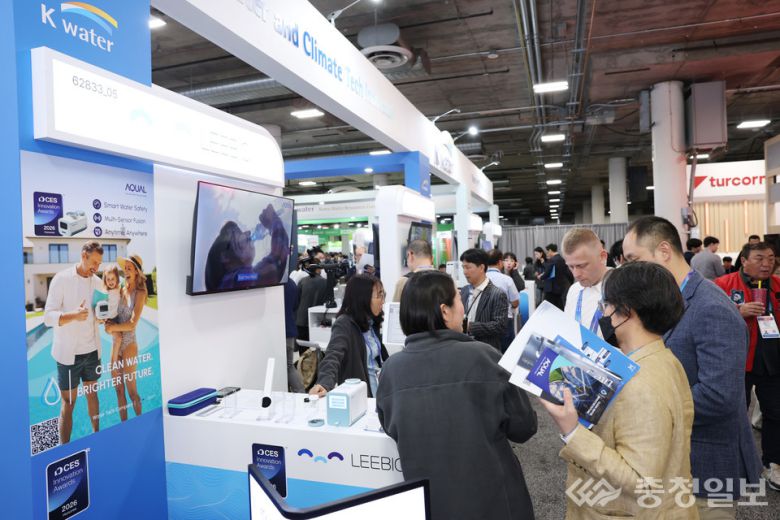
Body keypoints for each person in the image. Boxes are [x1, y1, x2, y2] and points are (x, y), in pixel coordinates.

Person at [622, 216, 761, 517]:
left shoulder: (711, 307)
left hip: (708, 465)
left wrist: (646, 408)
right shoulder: (670, 301)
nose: (631, 271)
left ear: (663, 251)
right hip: (679, 463)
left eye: (634, 260)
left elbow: (719, 396)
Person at [376, 270, 537, 520]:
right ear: (445, 311)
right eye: (459, 299)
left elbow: (390, 427)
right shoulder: (484, 357)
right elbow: (524, 427)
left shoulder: (390, 371)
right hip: (495, 500)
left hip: (432, 503)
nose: (463, 307)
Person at [541, 262, 697, 518]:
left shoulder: (639, 384)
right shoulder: (664, 359)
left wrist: (572, 432)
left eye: (606, 305)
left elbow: (641, 481)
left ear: (625, 312)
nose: (604, 313)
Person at [714, 242, 780, 491]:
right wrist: (737, 311)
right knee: (733, 413)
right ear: (744, 261)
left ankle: (773, 463)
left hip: (772, 361)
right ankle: (731, 463)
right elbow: (709, 317)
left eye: (771, 258)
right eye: (760, 258)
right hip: (736, 362)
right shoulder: (723, 284)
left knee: (776, 413)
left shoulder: (778, 285)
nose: (766, 264)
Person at [44, 241, 104, 443]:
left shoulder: (98, 282)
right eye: (94, 262)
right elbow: (48, 317)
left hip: (92, 352)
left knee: (93, 395)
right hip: (68, 356)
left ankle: (97, 438)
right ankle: (65, 448)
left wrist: (103, 317)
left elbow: (100, 310)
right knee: (68, 403)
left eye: (99, 263)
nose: (96, 267)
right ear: (84, 255)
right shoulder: (61, 279)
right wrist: (73, 315)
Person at [309, 275, 388, 397]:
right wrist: (324, 383)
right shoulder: (344, 323)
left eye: (383, 295)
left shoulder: (371, 322)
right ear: (363, 298)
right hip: (362, 395)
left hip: (380, 390)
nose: (383, 301)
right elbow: (333, 355)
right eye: (379, 295)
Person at [105, 255, 148, 422]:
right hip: (116, 344)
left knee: (131, 392)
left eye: (130, 268)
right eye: (125, 268)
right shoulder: (120, 289)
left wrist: (113, 328)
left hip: (129, 344)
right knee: (118, 390)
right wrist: (106, 322)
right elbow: (112, 314)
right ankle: (124, 426)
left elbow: (132, 324)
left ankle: (139, 423)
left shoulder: (140, 293)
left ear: (137, 272)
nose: (126, 271)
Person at [561, 229, 609, 338]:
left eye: (581, 266)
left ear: (602, 257)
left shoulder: (623, 290)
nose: (576, 274)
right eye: (571, 266)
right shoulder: (574, 290)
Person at [459, 248, 509, 351]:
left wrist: (470, 327)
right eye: (463, 267)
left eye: (468, 267)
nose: (464, 272)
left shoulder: (497, 294)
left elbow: (500, 326)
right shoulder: (463, 291)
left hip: (486, 351)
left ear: (481, 267)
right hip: (464, 349)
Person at [486, 249, 520, 352]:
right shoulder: (507, 279)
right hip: (505, 320)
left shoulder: (481, 278)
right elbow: (515, 303)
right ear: (500, 262)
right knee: (507, 352)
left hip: (485, 321)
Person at [295, 261, 327, 342]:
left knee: (302, 345)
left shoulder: (302, 281)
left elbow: (297, 299)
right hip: (317, 319)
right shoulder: (325, 282)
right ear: (317, 270)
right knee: (317, 344)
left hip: (301, 320)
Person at [283, 278, 305, 393]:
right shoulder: (291, 283)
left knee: (287, 367)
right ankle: (300, 392)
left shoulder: (275, 283)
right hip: (289, 329)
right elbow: (295, 305)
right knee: (289, 366)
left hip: (281, 331)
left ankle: (300, 393)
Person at [539, 243, 573, 310]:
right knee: (559, 306)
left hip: (551, 288)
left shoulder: (552, 260)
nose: (547, 254)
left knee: (547, 307)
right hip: (560, 287)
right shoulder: (562, 259)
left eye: (547, 252)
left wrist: (541, 277)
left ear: (550, 250)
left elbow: (548, 273)